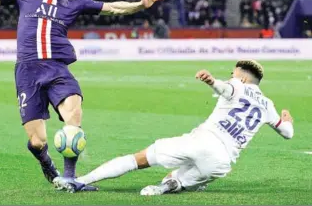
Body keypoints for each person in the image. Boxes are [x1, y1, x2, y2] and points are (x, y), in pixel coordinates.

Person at [0, 0, 166, 191]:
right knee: (37, 141)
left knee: (74, 117)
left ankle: (69, 178)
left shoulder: (73, 1)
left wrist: (140, 5)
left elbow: (111, 8)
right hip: (27, 71)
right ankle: (49, 167)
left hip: (58, 69)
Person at [57, 60, 294, 194]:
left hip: (204, 141)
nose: (231, 76)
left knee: (139, 159)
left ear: (242, 77)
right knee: (179, 179)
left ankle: (81, 180)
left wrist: (213, 82)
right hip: (222, 163)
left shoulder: (237, 85)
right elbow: (287, 133)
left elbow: (226, 88)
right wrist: (287, 120)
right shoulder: (268, 105)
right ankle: (164, 187)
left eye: (233, 74)